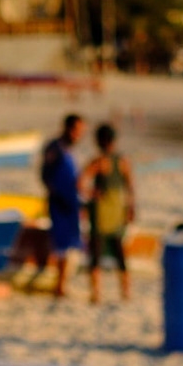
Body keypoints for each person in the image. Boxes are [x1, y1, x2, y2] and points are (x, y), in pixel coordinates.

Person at [81, 123, 135, 303]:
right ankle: (125, 293)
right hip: (117, 209)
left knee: (95, 252)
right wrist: (130, 209)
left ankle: (96, 294)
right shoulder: (122, 161)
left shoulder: (98, 161)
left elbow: (80, 182)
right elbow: (130, 187)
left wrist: (91, 194)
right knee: (119, 251)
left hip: (101, 211)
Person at [39, 114, 86, 298]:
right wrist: (57, 194)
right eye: (77, 130)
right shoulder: (55, 148)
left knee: (68, 245)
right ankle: (59, 286)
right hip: (60, 202)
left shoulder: (70, 150)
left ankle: (62, 284)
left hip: (71, 202)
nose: (79, 135)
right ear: (67, 128)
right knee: (61, 244)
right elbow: (45, 175)